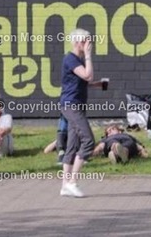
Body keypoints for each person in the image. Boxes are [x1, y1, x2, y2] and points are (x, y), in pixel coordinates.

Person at [59, 28, 97, 198]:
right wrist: (88, 55)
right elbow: (87, 75)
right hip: (71, 105)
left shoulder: (77, 60)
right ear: (76, 42)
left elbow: (81, 81)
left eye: (89, 40)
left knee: (72, 145)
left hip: (76, 104)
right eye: (85, 41)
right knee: (88, 140)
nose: (88, 43)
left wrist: (97, 85)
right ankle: (72, 182)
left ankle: (64, 185)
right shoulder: (71, 59)